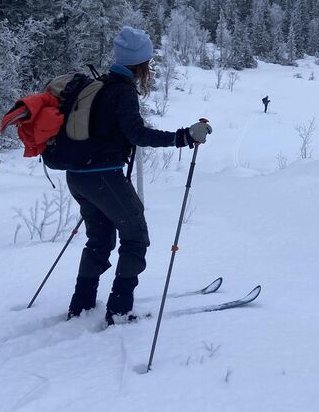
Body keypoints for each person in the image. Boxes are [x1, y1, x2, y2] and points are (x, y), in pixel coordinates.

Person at [61, 26, 212, 324]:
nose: (151, 68)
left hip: (78, 176)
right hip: (103, 176)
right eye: (149, 62)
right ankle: (119, 310)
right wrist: (183, 137)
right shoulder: (122, 91)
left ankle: (81, 306)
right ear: (140, 63)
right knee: (136, 237)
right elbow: (137, 134)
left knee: (100, 240)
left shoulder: (100, 85)